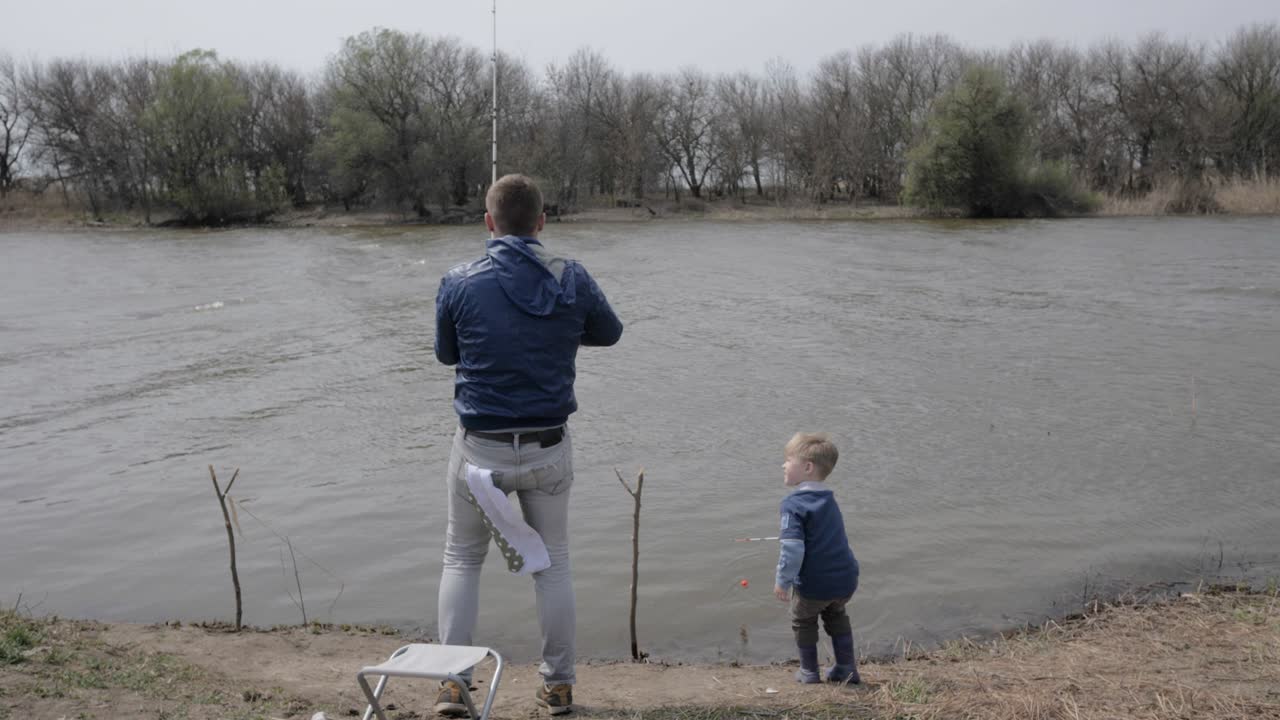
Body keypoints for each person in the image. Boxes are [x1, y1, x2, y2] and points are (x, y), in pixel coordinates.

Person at [432, 174, 623, 716]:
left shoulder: (458, 281)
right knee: (553, 565)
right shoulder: (572, 277)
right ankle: (557, 686)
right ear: (542, 222)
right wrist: (560, 328)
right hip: (547, 448)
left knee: (462, 558)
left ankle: (453, 684)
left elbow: (447, 354)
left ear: (488, 223)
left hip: (479, 450)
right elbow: (609, 333)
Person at [773, 432, 861, 684]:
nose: (783, 465)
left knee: (803, 620)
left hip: (816, 583)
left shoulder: (793, 504)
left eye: (788, 460)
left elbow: (792, 550)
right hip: (845, 578)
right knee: (836, 615)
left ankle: (809, 672)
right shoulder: (829, 499)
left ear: (808, 467)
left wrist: (783, 581)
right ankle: (847, 668)